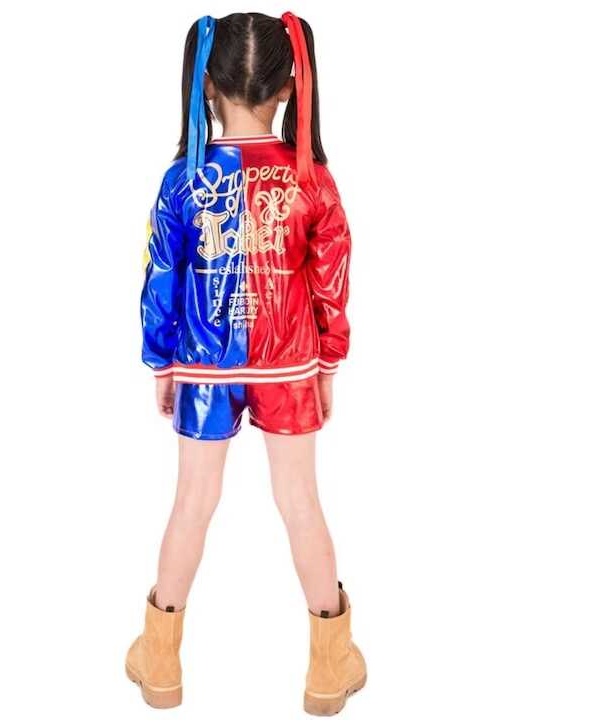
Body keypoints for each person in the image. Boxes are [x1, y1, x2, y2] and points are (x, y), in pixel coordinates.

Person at [125, 12, 365, 715]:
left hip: (206, 363)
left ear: (205, 84)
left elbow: (160, 275)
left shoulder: (183, 179)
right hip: (288, 362)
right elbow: (331, 278)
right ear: (290, 87)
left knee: (192, 501)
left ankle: (160, 658)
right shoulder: (311, 179)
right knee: (300, 501)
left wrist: (163, 362)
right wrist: (327, 362)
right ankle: (330, 666)